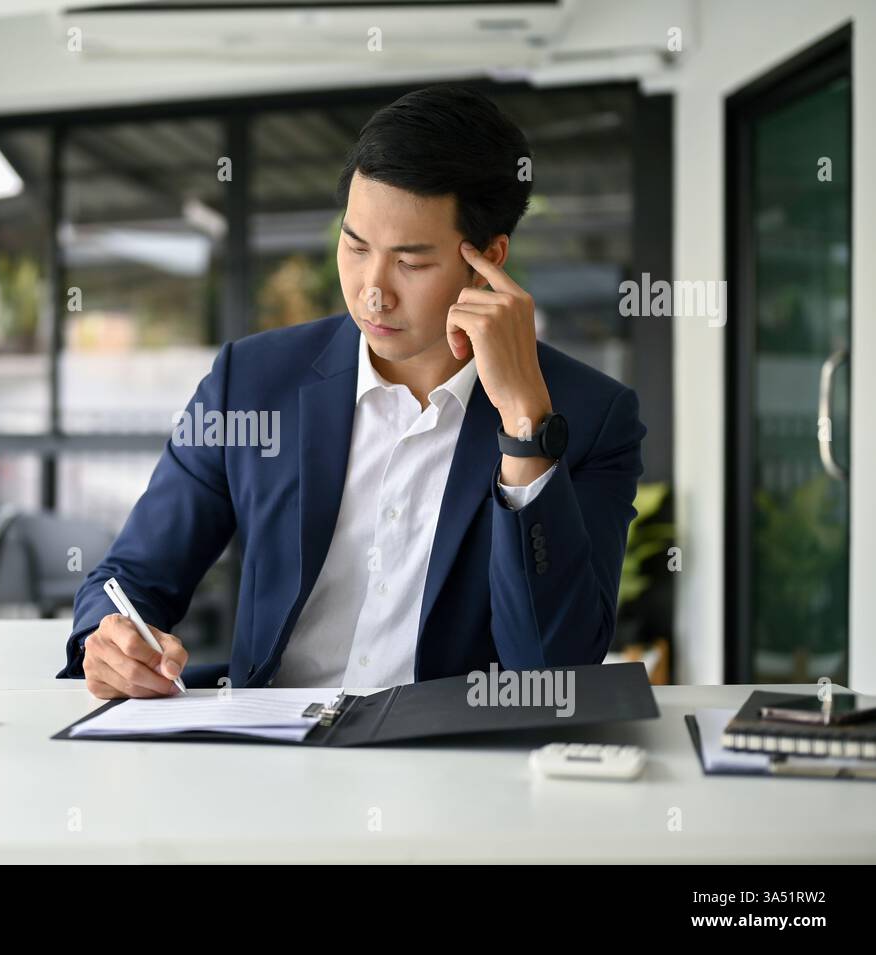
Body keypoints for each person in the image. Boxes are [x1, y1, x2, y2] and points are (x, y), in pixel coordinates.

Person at [58, 85, 646, 698]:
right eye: (355, 245)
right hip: (273, 756)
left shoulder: (592, 417)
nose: (373, 290)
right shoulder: (253, 383)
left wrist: (526, 426)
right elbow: (132, 576)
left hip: (458, 770)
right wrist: (111, 638)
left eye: (411, 263)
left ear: (488, 259)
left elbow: (552, 673)